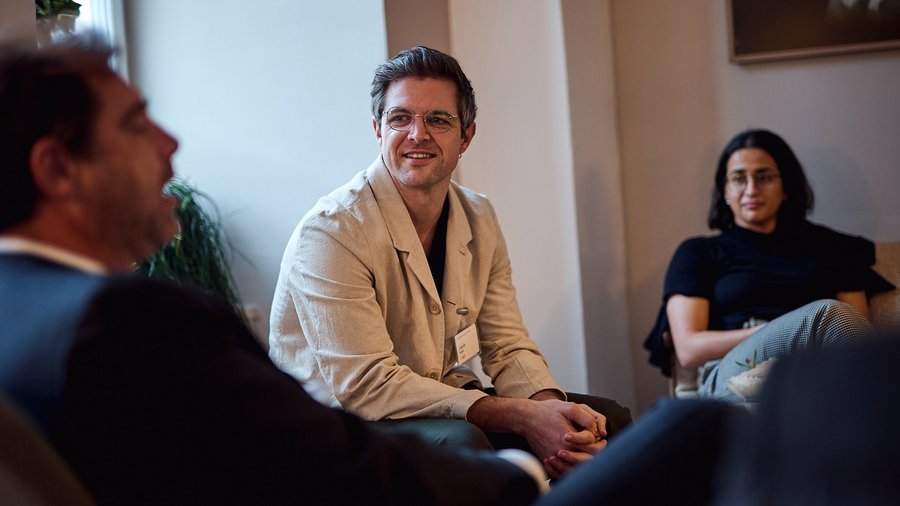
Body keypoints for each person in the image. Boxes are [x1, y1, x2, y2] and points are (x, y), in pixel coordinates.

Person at [0, 35, 543, 505]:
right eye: (136, 125)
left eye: (438, 120)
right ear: (55, 169)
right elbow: (321, 458)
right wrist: (517, 476)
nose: (171, 145)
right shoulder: (133, 321)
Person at [268, 46, 630, 478]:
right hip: (342, 423)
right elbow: (367, 386)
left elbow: (505, 344)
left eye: (438, 120)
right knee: (465, 447)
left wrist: (550, 412)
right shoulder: (331, 231)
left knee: (607, 420)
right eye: (400, 118)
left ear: (467, 137)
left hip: (436, 401)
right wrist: (520, 417)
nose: (418, 134)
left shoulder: (480, 215)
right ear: (378, 130)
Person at [649, 128, 891, 402]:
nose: (752, 189)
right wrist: (784, 332)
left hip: (812, 368)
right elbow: (689, 348)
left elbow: (856, 332)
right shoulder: (699, 252)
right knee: (828, 314)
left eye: (764, 177)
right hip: (736, 370)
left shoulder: (831, 247)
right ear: (725, 191)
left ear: (785, 186)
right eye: (739, 178)